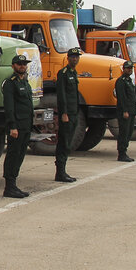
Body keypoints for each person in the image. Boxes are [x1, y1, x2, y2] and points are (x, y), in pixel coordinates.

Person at [1, 53, 33, 198]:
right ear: (13, 66)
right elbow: (9, 107)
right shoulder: (10, 83)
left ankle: (14, 184)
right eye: (20, 64)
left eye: (24, 64)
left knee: (20, 155)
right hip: (17, 126)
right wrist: (12, 126)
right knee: (13, 155)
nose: (22, 66)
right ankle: (9, 186)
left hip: (26, 124)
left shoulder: (25, 82)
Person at [54, 47, 81, 182]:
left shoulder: (73, 73)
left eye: (77, 57)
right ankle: (60, 172)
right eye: (72, 57)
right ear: (68, 58)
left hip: (74, 112)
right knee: (64, 142)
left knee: (69, 142)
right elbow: (62, 95)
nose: (75, 59)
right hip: (67, 114)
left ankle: (63, 170)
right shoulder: (63, 73)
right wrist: (64, 113)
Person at [114, 60, 136, 162]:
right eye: (128, 68)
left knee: (129, 132)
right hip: (125, 111)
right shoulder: (121, 81)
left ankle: (125, 151)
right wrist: (125, 111)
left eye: (131, 68)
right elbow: (122, 97)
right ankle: (121, 153)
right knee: (124, 132)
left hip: (131, 111)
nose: (130, 70)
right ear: (124, 69)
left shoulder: (129, 81)